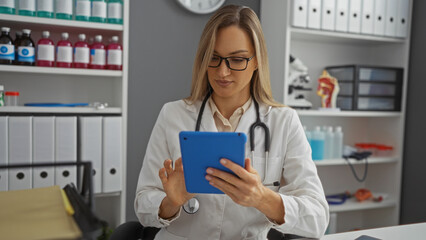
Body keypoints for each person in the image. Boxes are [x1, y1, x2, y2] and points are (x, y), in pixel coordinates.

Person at [135, 5, 329, 240]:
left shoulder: (284, 122)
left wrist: (261, 198)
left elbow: (318, 218)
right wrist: (171, 202)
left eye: (237, 60)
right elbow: (143, 206)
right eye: (214, 58)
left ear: (257, 61)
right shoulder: (173, 115)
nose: (223, 72)